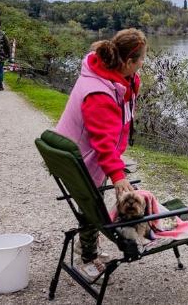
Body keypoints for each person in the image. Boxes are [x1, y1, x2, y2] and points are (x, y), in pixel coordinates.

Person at [54, 28, 147, 281]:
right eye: (140, 61)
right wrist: (117, 175)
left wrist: (131, 81)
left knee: (89, 206)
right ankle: (88, 256)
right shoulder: (99, 93)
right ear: (127, 62)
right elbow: (103, 142)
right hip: (84, 160)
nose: (142, 65)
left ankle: (89, 251)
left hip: (77, 155)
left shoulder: (108, 74)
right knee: (90, 207)